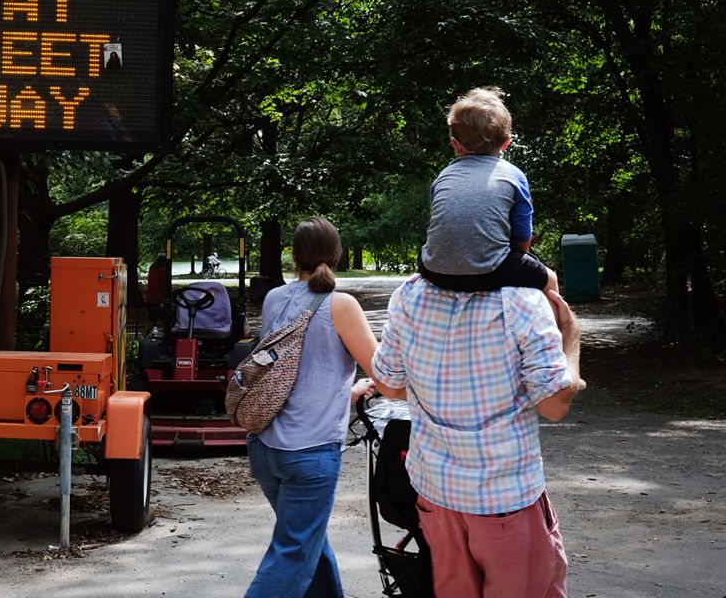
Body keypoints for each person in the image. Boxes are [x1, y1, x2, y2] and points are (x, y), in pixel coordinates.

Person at [371, 273, 585, 597]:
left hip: (437, 496)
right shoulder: (523, 300)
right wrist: (570, 334)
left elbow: (389, 384)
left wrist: (438, 392)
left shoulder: (410, 295)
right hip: (504, 500)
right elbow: (554, 406)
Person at [244, 216, 387, 598]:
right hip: (310, 453)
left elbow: (293, 372)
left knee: (306, 537)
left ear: (294, 255)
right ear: (338, 255)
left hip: (265, 448)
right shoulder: (341, 304)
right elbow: (386, 376)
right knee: (293, 551)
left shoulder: (275, 297)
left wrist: (350, 392)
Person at [418, 87, 560, 295]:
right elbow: (522, 235)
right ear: (506, 143)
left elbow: (441, 223)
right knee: (550, 279)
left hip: (435, 272)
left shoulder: (443, 176)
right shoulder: (513, 175)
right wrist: (520, 259)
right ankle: (559, 327)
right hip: (490, 272)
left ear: (454, 144)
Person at [145, 256, 170, 330]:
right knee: (165, 319)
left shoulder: (152, 268)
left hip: (150, 297)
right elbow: (164, 284)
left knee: (152, 319)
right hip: (159, 298)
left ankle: (149, 333)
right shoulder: (163, 271)